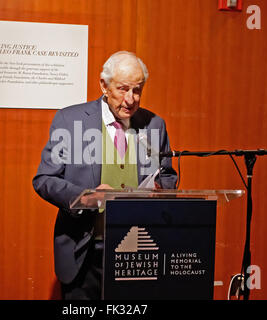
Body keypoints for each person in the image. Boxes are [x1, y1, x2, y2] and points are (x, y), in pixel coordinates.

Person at [33, 51, 177, 299]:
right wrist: (84, 198)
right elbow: (44, 179)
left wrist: (160, 190)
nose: (131, 99)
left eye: (137, 90)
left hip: (138, 251)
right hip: (85, 252)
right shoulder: (70, 120)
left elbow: (168, 176)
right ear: (104, 85)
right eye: (122, 89)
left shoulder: (155, 125)